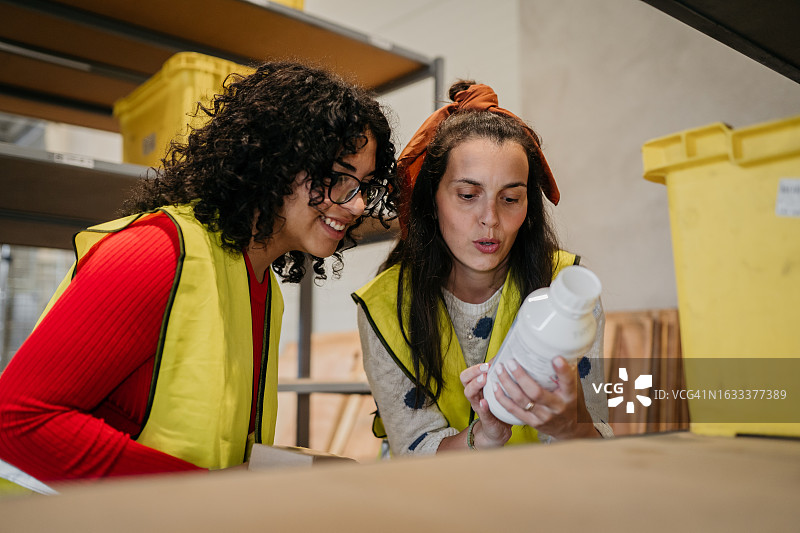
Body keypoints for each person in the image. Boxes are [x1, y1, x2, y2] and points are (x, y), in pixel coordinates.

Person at [0, 61, 397, 488]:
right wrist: (208, 495)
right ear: (275, 162)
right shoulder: (155, 254)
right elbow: (16, 420)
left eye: (365, 186)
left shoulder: (260, 283)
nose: (356, 205)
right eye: (339, 178)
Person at [352, 80, 612, 456]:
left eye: (510, 198)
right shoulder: (385, 307)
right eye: (468, 196)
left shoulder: (567, 292)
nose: (490, 219)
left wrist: (571, 426)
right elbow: (413, 450)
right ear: (432, 199)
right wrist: (485, 437)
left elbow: (600, 447)